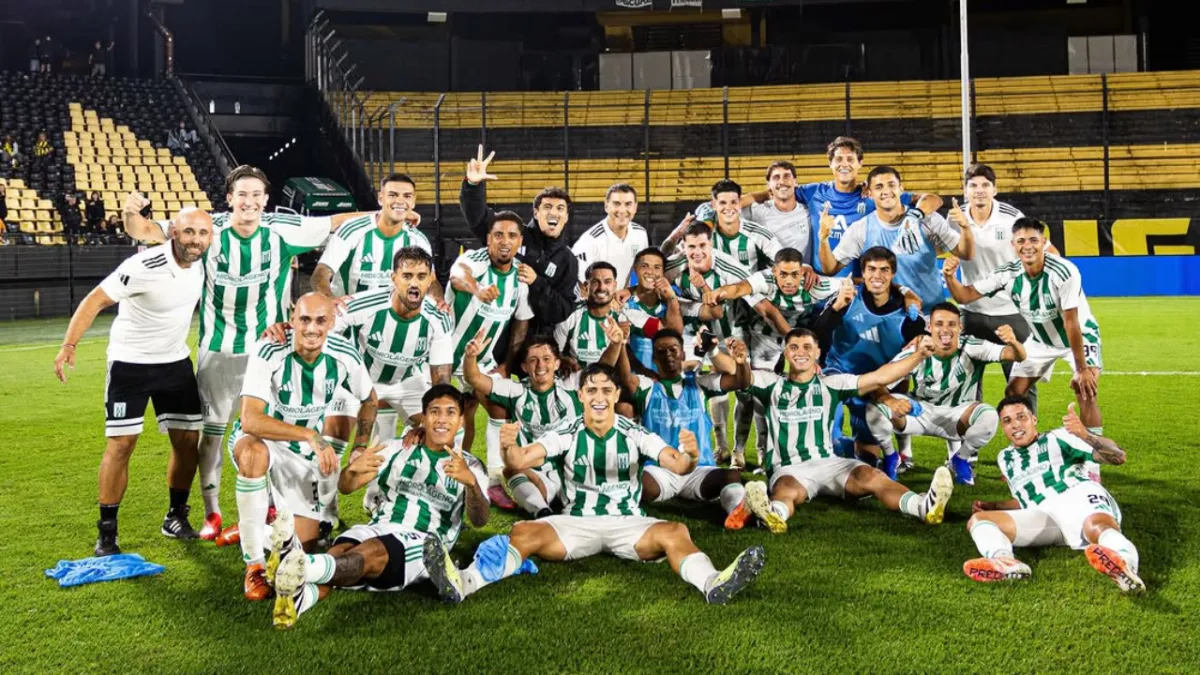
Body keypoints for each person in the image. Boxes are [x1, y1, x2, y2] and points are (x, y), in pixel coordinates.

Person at [121, 165, 353, 541]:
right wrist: (131, 211)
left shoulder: (283, 231)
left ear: (265, 199)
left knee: (276, 432)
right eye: (241, 194)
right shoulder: (207, 229)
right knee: (211, 436)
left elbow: (334, 222)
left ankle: (276, 507)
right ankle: (212, 515)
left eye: (256, 194)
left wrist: (387, 214)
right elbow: (144, 230)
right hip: (218, 353)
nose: (249, 201)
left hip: (268, 354)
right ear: (229, 200)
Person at [423, 363, 766, 605]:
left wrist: (690, 456)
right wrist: (508, 447)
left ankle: (712, 582)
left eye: (606, 390)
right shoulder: (569, 431)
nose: (599, 396)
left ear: (616, 394)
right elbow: (519, 463)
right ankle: (463, 582)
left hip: (629, 522)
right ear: (582, 395)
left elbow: (676, 464)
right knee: (522, 533)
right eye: (591, 390)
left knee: (676, 531)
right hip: (576, 522)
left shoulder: (633, 432)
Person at [53, 209, 214, 555]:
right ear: (173, 232)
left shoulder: (205, 260)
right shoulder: (142, 267)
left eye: (203, 233)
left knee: (188, 441)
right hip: (131, 364)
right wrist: (69, 345)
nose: (196, 240)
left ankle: (175, 516)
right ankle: (107, 534)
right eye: (188, 232)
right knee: (121, 445)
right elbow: (95, 299)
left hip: (174, 362)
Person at [267, 384, 491, 629]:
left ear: (460, 421)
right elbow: (346, 486)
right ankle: (300, 600)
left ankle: (297, 564)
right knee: (338, 554)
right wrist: (352, 470)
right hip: (378, 525)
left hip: (425, 541)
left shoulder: (471, 466)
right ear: (424, 418)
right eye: (435, 411)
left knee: (370, 552)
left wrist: (470, 484)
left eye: (450, 413)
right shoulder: (397, 448)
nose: (442, 419)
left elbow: (480, 520)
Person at [230, 293, 378, 601]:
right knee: (254, 455)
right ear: (293, 320)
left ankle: (258, 526)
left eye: (320, 321)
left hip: (300, 456)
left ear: (332, 323)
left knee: (303, 550)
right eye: (305, 320)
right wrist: (311, 436)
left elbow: (370, 399)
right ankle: (254, 564)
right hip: (264, 440)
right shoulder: (269, 349)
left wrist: (360, 446)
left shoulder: (344, 355)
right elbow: (250, 421)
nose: (312, 329)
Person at [739, 328, 954, 534]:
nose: (800, 352)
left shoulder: (832, 384)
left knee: (871, 475)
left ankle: (922, 506)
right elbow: (739, 377)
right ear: (785, 352)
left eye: (807, 347)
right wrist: (738, 361)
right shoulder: (771, 383)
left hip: (829, 463)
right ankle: (773, 514)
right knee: (786, 490)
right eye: (794, 347)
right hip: (789, 467)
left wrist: (919, 355)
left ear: (817, 352)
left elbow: (879, 378)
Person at [943, 217, 1105, 442]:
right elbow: (964, 295)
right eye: (1021, 241)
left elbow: (1071, 322)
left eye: (1033, 240)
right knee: (1014, 393)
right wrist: (949, 277)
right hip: (1041, 340)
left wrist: (1082, 369)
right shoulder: (1007, 273)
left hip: (1079, 336)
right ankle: (1027, 452)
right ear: (1013, 245)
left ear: (1044, 242)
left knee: (1085, 389)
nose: (1027, 246)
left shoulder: (1065, 271)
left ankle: (1092, 458)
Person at [963, 396, 1143, 593]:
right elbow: (1026, 499)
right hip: (1044, 514)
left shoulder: (1058, 438)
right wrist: (994, 507)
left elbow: (1118, 457)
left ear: (1034, 419)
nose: (1015, 425)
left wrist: (1085, 434)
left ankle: (1126, 567)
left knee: (1096, 528)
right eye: (1007, 421)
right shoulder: (1005, 459)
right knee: (978, 520)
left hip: (1076, 494)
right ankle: (1005, 562)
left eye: (1021, 417)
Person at [707, 247, 845, 466]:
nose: (789, 280)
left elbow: (849, 283)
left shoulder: (815, 285)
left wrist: (902, 290)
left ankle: (764, 452)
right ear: (774, 272)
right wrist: (722, 292)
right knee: (745, 398)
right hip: (761, 342)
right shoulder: (764, 280)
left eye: (794, 274)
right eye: (783, 274)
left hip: (792, 346)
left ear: (802, 273)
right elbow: (739, 288)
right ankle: (738, 451)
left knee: (770, 401)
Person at [462, 329, 622, 518]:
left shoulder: (571, 384)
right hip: (534, 471)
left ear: (557, 363)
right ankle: (542, 512)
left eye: (546, 359)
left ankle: (570, 502)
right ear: (524, 367)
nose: (540, 365)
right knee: (513, 470)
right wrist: (470, 357)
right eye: (533, 360)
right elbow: (475, 379)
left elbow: (603, 367)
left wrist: (615, 343)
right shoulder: (516, 390)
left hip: (571, 468)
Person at [865, 302, 1027, 485]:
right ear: (929, 327)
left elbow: (1017, 355)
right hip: (919, 412)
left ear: (960, 327)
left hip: (957, 416)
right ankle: (891, 456)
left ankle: (960, 459)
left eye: (951, 324)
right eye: (939, 324)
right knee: (874, 409)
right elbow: (878, 381)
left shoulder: (973, 346)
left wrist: (1013, 341)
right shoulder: (916, 349)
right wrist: (891, 401)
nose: (945, 330)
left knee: (989, 416)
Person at [617, 329, 756, 529]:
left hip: (698, 470)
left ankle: (738, 511)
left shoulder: (700, 384)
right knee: (638, 481)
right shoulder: (648, 387)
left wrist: (742, 363)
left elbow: (741, 381)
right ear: (654, 357)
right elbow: (626, 380)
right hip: (661, 470)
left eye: (673, 350)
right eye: (661, 351)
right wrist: (621, 344)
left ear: (683, 354)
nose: (668, 355)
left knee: (731, 476)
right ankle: (619, 511)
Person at [741, 137, 933, 276]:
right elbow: (783, 189)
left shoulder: (872, 195)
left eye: (850, 159)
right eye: (839, 159)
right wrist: (740, 201)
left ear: (860, 164)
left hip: (858, 283)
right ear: (830, 164)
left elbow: (932, 199)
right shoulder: (815, 192)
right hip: (818, 282)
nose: (844, 164)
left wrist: (915, 215)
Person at [446, 211, 533, 501]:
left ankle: (494, 479)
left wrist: (506, 365)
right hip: (444, 358)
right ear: (488, 239)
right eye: (498, 235)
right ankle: (449, 478)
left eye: (511, 235)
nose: (504, 241)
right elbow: (458, 275)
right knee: (455, 420)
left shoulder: (521, 277)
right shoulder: (474, 260)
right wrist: (478, 288)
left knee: (498, 410)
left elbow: (521, 322)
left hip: (479, 363)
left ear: (520, 241)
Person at [459, 145, 579, 345]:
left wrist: (537, 282)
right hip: (492, 330)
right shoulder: (513, 233)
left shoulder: (568, 260)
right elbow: (479, 220)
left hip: (534, 343)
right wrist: (473, 187)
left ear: (566, 216)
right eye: (547, 207)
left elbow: (561, 311)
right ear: (535, 213)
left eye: (560, 208)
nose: (553, 213)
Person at [822, 247, 926, 475]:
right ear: (863, 272)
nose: (877, 276)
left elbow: (911, 359)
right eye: (871, 269)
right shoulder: (847, 297)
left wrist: (892, 392)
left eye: (884, 270)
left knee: (867, 461)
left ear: (893, 274)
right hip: (837, 374)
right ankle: (832, 451)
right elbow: (818, 330)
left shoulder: (909, 315)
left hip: (873, 386)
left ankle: (850, 455)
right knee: (827, 437)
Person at [951, 164, 1039, 411]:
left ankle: (1028, 442)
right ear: (965, 191)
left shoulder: (1012, 216)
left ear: (995, 189)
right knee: (967, 383)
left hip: (1012, 312)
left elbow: (1045, 250)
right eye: (973, 186)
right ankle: (969, 444)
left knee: (1021, 384)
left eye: (985, 185)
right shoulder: (955, 218)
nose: (979, 191)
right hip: (971, 313)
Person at [819, 166, 964, 311]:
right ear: (870, 193)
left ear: (901, 188)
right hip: (889, 317)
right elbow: (830, 268)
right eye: (879, 187)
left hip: (931, 314)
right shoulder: (861, 228)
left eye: (891, 185)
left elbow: (934, 199)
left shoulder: (923, 218)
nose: (886, 191)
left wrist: (966, 228)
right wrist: (823, 239)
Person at [312, 172, 432, 298]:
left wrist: (438, 300)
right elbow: (320, 274)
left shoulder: (418, 240)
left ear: (413, 201)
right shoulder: (352, 230)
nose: (400, 201)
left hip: (394, 315)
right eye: (392, 195)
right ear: (380, 198)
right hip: (350, 314)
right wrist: (331, 301)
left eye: (407, 196)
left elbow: (431, 281)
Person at [662, 180, 782, 273]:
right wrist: (675, 236)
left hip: (747, 299)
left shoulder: (759, 234)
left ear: (740, 204)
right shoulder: (701, 237)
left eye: (733, 202)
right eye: (723, 203)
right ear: (713, 205)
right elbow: (664, 261)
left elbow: (785, 263)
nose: (728, 208)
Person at [572, 183, 648, 289]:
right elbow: (579, 284)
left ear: (635, 207)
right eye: (616, 204)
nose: (622, 210)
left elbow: (639, 271)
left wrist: (627, 292)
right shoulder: (589, 240)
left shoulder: (640, 234)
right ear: (606, 206)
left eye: (628, 204)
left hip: (622, 300)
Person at [554, 261, 628, 368]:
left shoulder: (622, 318)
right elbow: (555, 354)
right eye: (595, 282)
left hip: (610, 382)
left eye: (607, 282)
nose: (601, 287)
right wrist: (564, 362)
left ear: (615, 286)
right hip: (575, 381)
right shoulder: (570, 315)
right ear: (585, 286)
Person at [624, 247, 684, 372]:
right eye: (645, 266)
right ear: (636, 270)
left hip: (663, 383)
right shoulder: (624, 305)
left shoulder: (672, 304)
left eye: (657, 267)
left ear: (663, 272)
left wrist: (672, 298)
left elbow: (675, 335)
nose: (650, 272)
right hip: (634, 382)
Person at [742, 160, 811, 261]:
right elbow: (728, 208)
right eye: (776, 177)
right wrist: (758, 195)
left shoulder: (808, 211)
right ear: (768, 185)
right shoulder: (758, 211)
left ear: (795, 182)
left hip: (802, 273)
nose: (782, 182)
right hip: (769, 274)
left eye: (787, 176)